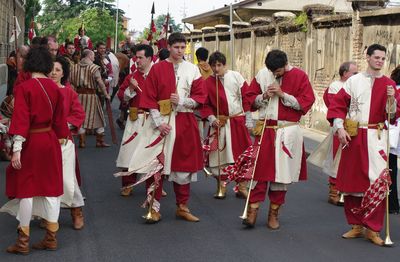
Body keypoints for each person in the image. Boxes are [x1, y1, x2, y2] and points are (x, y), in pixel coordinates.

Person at [129, 32, 206, 223]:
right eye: (176, 47)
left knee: (183, 166)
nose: (180, 51)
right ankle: (153, 208)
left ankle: (182, 206)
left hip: (184, 122)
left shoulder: (192, 70)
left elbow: (200, 98)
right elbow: (148, 97)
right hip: (160, 123)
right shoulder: (157, 69)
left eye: (183, 47)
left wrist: (183, 101)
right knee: (155, 165)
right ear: (169, 47)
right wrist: (159, 123)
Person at [327, 44, 398, 246]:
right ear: (367, 57)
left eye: (383, 58)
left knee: (377, 183)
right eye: (376, 57)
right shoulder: (353, 82)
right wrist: (339, 127)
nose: (380, 61)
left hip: (376, 137)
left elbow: (392, 117)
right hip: (354, 136)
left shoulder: (388, 84)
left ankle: (373, 228)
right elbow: (338, 106)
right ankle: (356, 225)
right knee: (353, 183)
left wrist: (391, 99)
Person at [1, 46, 69, 254]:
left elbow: (21, 120)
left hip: (32, 141)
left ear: (29, 63)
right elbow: (60, 121)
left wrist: (17, 149)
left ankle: (23, 242)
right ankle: (51, 238)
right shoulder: (56, 88)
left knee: (26, 191)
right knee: (51, 189)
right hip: (50, 141)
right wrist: (62, 139)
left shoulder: (24, 87)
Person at [244, 49, 315, 229]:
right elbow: (249, 98)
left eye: (278, 71)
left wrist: (283, 95)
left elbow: (306, 103)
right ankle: (252, 210)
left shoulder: (300, 76)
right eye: (272, 71)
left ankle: (273, 214)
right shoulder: (263, 74)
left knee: (280, 176)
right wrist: (263, 96)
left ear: (285, 64)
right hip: (266, 129)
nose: (275, 74)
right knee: (259, 172)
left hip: (287, 130)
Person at [201, 51, 252, 199]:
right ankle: (221, 185)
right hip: (220, 123)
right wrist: (211, 118)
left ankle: (242, 186)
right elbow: (205, 105)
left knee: (242, 154)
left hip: (237, 121)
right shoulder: (207, 82)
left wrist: (248, 118)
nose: (216, 69)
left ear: (225, 65)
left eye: (219, 65)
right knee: (219, 156)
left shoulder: (236, 76)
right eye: (213, 65)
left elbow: (246, 97)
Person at [50, 56, 86, 229]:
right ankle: (47, 215)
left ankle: (76, 211)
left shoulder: (69, 92)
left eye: (57, 70)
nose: (53, 73)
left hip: (64, 141)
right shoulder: (43, 90)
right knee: (47, 179)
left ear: (63, 73)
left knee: (67, 179)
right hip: (44, 141)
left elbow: (78, 114)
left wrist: (64, 124)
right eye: (51, 69)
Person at [116, 44, 154, 196]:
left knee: (152, 153)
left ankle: (154, 183)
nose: (137, 61)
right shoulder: (131, 77)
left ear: (149, 59)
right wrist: (131, 89)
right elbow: (121, 96)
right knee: (129, 151)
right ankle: (128, 184)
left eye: (140, 58)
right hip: (135, 119)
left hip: (153, 120)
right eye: (136, 57)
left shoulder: (157, 75)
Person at [323, 61, 358, 205]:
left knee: (350, 161)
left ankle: (346, 190)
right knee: (336, 160)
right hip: (340, 128)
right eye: (354, 73)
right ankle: (333, 192)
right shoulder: (335, 87)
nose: (357, 75)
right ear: (345, 73)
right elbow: (335, 106)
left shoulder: (357, 85)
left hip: (353, 127)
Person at [69, 49, 111, 148]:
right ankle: (99, 141)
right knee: (100, 118)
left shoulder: (74, 67)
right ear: (88, 56)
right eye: (92, 56)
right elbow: (100, 82)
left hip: (78, 96)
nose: (93, 58)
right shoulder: (94, 68)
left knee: (81, 119)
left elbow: (71, 84)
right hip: (91, 96)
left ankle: (82, 142)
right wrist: (106, 94)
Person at [388, 65, 400, 214]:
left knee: (390, 167)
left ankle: (392, 203)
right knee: (391, 168)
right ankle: (392, 203)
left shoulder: (392, 88)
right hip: (395, 129)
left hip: (391, 130)